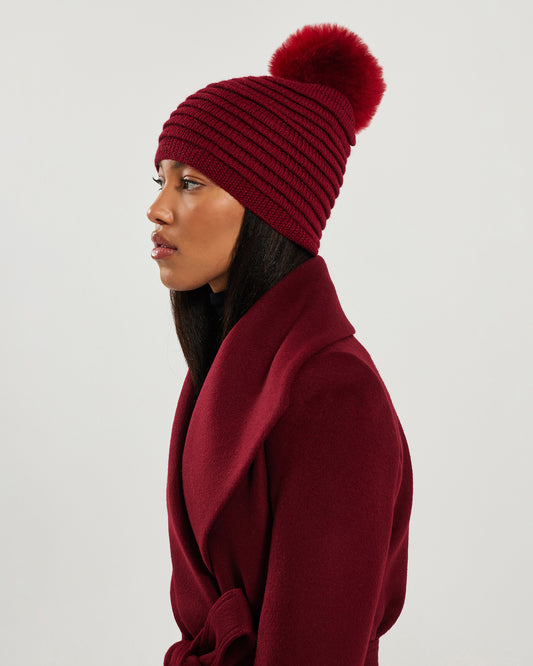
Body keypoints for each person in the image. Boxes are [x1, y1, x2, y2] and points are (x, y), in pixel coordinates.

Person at [147, 23, 413, 666]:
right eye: (159, 181)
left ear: (269, 207)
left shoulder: (333, 394)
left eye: (190, 183)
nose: (158, 209)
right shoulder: (220, 369)